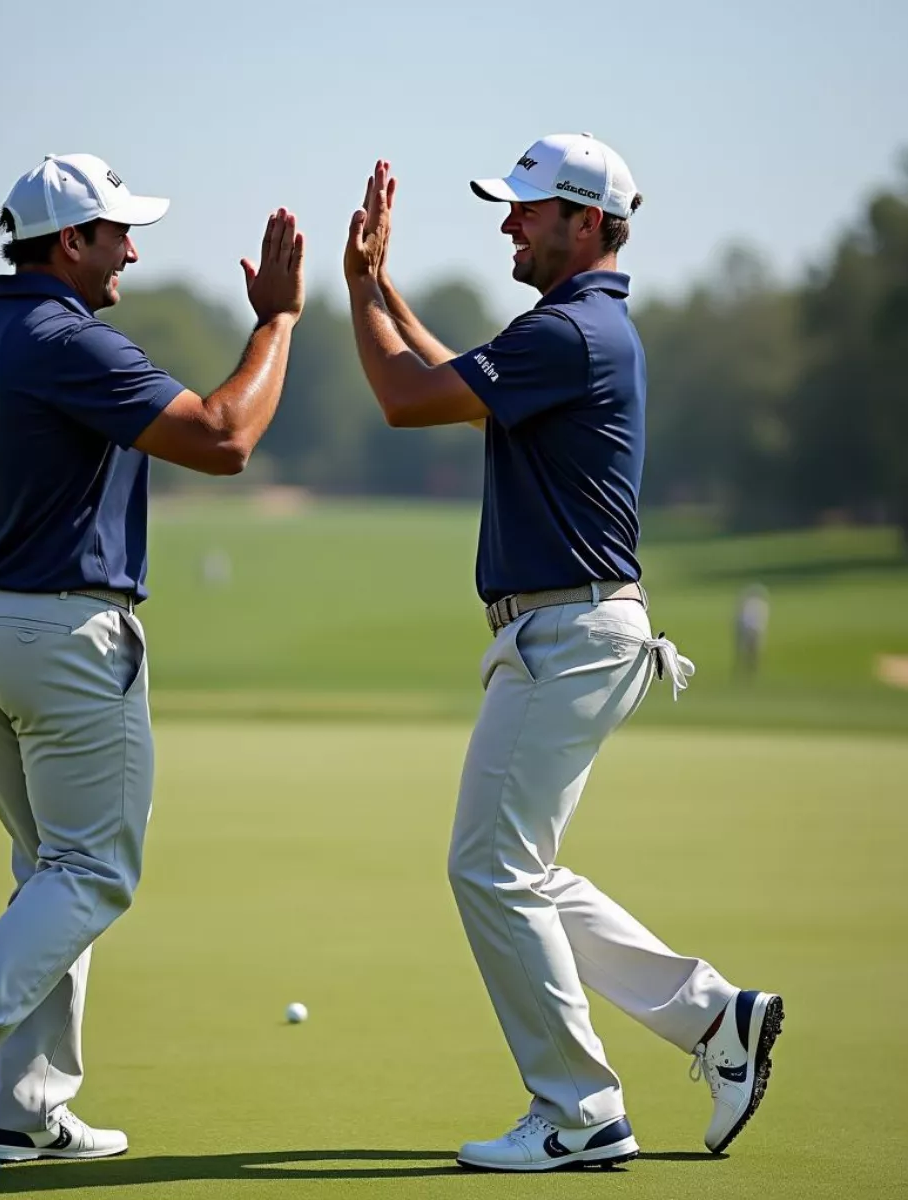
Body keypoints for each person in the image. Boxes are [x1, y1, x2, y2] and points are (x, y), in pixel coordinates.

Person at [343, 137, 783, 1172]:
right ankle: (716, 1020)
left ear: (586, 224)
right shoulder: (572, 331)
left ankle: (581, 1111)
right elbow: (447, 373)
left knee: (488, 868)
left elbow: (407, 398)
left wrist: (358, 289)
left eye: (527, 209)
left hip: (568, 634)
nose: (508, 222)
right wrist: (384, 289)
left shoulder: (571, 335)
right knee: (521, 868)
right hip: (573, 632)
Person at [0, 153, 304, 1180]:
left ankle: (29, 1109)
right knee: (93, 870)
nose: (133, 250)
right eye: (119, 233)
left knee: (47, 868)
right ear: (70, 243)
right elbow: (225, 438)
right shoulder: (71, 342)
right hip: (62, 640)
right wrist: (278, 322)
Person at [734, 583, 770, 680]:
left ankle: (750, 670)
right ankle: (747, 670)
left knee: (751, 652)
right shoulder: (758, 605)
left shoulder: (755, 605)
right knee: (749, 652)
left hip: (752, 631)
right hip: (752, 631)